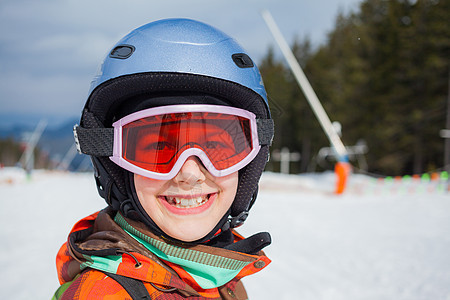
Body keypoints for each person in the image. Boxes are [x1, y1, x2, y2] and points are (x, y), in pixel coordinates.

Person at [53, 18, 274, 299]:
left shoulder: (218, 277)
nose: (190, 173)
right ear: (114, 168)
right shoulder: (101, 294)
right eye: (157, 149)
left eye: (218, 147)